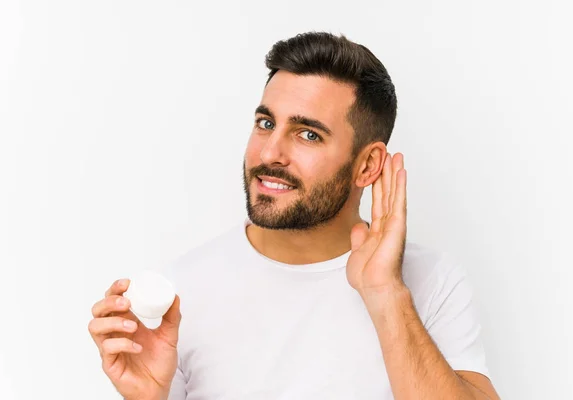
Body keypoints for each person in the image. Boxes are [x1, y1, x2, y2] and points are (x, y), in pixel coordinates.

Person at [88, 31, 500, 399]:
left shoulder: (432, 284)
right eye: (265, 123)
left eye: (308, 134)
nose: (269, 154)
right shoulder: (182, 293)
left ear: (368, 165)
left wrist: (386, 296)